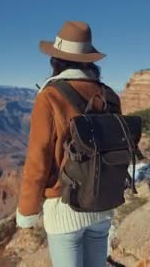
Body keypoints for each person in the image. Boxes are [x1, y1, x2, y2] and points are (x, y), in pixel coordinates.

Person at [16, 21, 122, 267]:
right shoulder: (109, 95)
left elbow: (38, 158)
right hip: (103, 202)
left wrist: (28, 210)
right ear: (89, 60)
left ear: (56, 59)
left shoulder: (50, 96)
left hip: (66, 207)